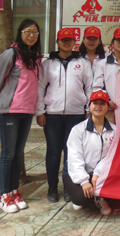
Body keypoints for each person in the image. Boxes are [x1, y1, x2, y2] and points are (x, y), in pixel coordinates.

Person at [0, 19, 42, 213]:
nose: (31, 35)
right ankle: (4, 196)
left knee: (18, 154)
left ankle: (14, 191)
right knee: (8, 154)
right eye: (27, 31)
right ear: (20, 33)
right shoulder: (11, 54)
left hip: (26, 112)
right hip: (9, 111)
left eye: (35, 32)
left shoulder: (35, 57)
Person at [36, 28, 93, 203]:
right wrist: (40, 111)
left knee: (72, 153)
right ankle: (52, 186)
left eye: (70, 40)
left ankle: (69, 186)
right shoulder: (48, 64)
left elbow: (89, 87)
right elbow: (40, 87)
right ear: (57, 42)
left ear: (75, 42)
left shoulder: (82, 62)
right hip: (52, 115)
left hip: (76, 115)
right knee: (53, 151)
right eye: (63, 40)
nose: (66, 43)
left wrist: (88, 110)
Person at [65, 90, 115, 214]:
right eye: (95, 103)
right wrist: (84, 181)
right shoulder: (78, 130)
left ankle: (100, 198)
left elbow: (112, 156)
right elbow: (74, 157)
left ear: (107, 107)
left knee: (118, 190)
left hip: (102, 173)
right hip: (79, 171)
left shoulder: (115, 130)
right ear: (89, 106)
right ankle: (89, 195)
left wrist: (97, 173)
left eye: (102, 103)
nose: (98, 106)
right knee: (81, 198)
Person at [92, 28, 120, 122]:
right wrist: (107, 100)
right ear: (113, 42)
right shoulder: (103, 63)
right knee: (108, 131)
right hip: (108, 109)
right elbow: (97, 86)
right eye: (119, 40)